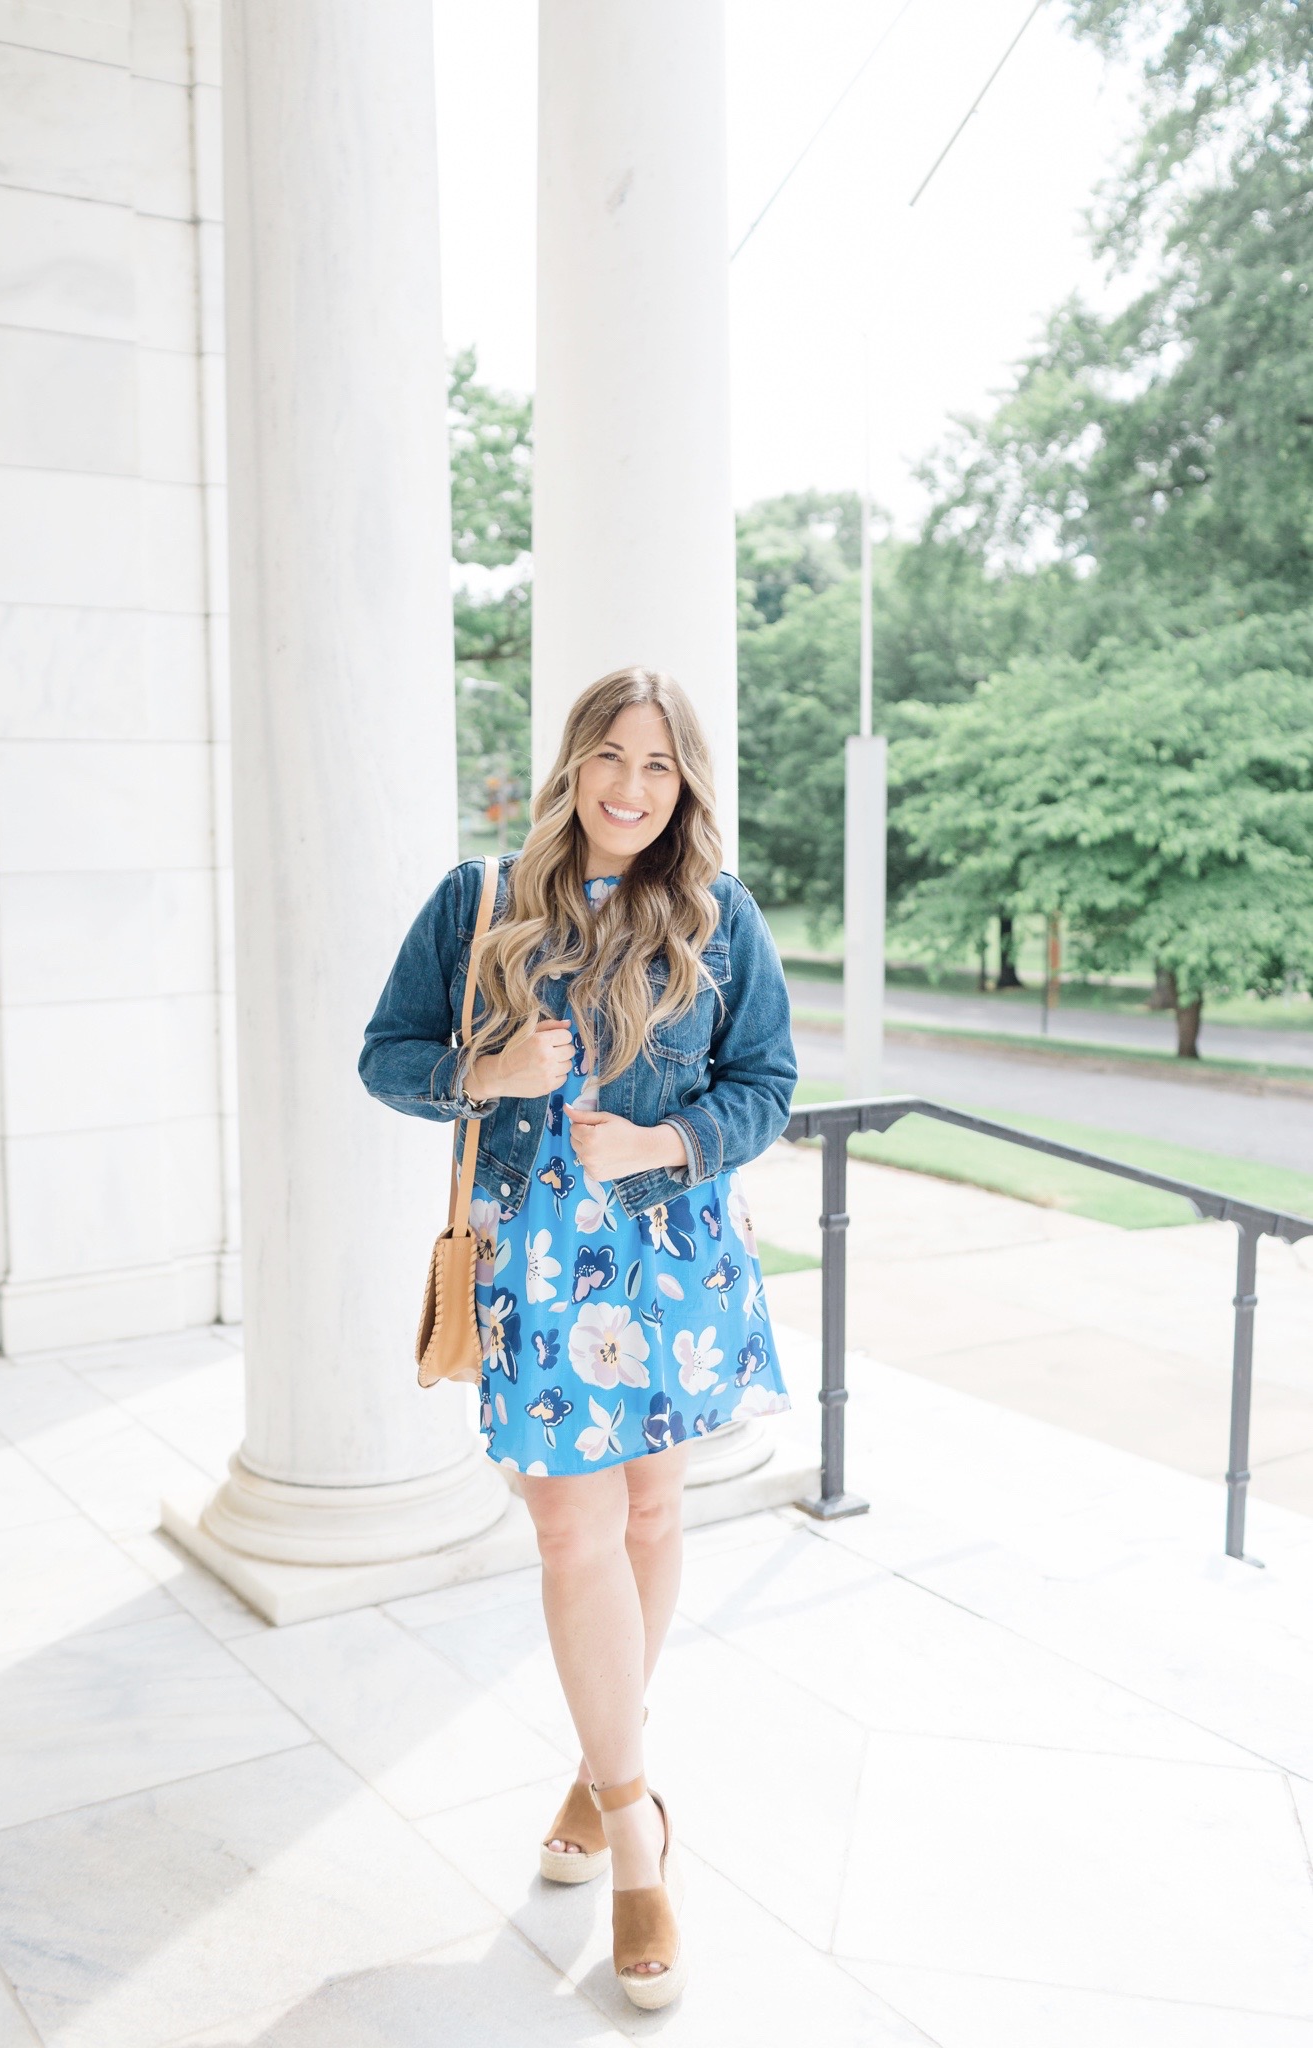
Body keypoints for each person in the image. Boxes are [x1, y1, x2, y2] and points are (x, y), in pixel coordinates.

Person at [359, 665, 798, 2010]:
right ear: (571, 766)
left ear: (684, 787)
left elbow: (767, 1082)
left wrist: (669, 1139)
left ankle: (598, 1764)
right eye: (609, 755)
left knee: (654, 1521)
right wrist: (486, 1074)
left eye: (656, 765)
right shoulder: (480, 900)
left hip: (669, 1262)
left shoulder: (719, 920)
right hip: (533, 1273)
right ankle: (635, 1833)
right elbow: (387, 1056)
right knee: (570, 1534)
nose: (627, 785)